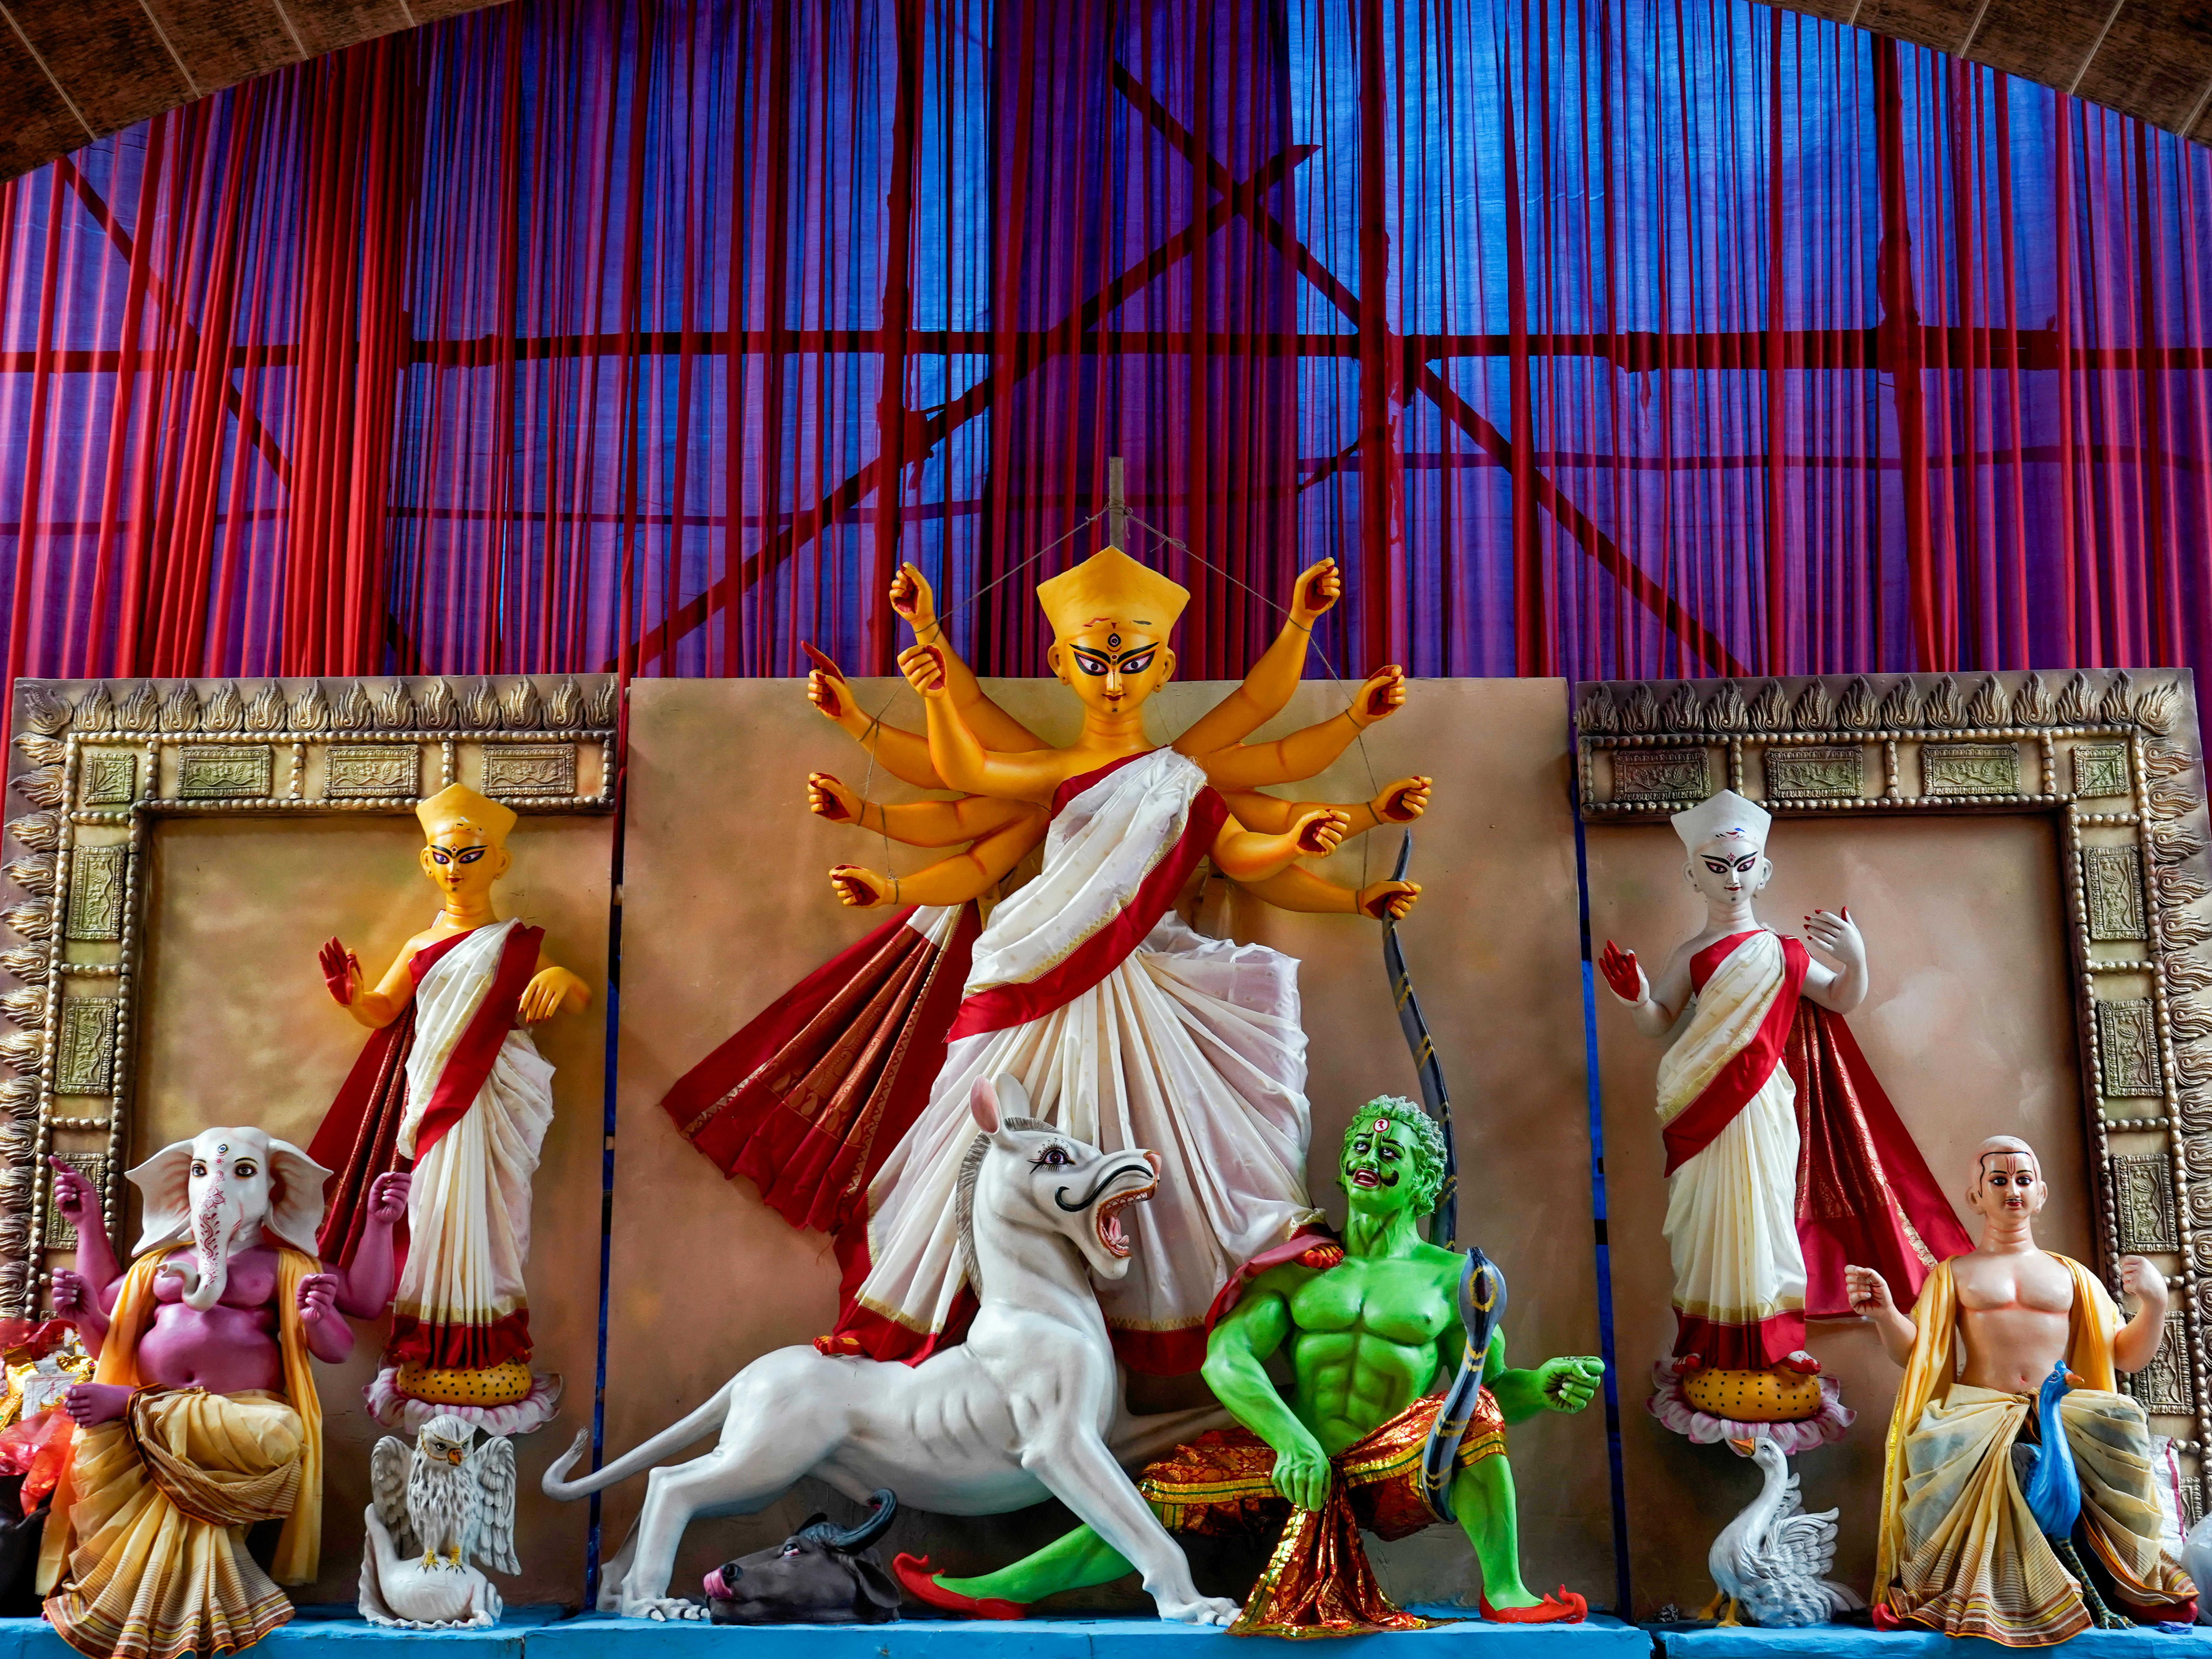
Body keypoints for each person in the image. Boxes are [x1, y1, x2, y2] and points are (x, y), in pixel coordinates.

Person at [663, 551, 1429, 1373]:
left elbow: (1242, 849)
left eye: (1133, 662)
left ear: (1164, 668)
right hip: (1030, 969)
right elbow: (967, 771)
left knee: (1216, 1120)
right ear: (1062, 665)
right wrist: (929, 684)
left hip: (1138, 984)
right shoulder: (1061, 771)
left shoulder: (1182, 783)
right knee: (955, 1140)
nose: (1112, 681)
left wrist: (1299, 832)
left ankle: (1245, 1263)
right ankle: (894, 1312)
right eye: (1095, 662)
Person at [893, 1100, 1603, 1632]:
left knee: (1476, 1416)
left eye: (1393, 1154)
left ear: (1425, 1184)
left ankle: (1504, 1588)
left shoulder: (1454, 1280)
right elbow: (1228, 1359)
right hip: (1290, 1458)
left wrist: (1540, 1387)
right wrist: (1290, 1438)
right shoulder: (1304, 1268)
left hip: (1391, 1468)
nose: (1371, 1156)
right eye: (1362, 1144)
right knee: (1165, 1488)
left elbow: (1486, 1389)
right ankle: (1009, 1588)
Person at [1601, 788, 1966, 1391]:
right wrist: (1637, 995)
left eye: (1744, 867)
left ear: (1762, 872)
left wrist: (1857, 958)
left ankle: (1777, 1340)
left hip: (1763, 1103)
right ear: (1692, 876)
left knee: (1767, 1214)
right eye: (1716, 869)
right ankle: (1698, 1343)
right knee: (1701, 1223)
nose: (1732, 880)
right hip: (1696, 1102)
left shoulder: (1785, 954)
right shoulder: (1690, 954)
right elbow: (1659, 1021)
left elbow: (1843, 998)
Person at [311, 783, 591, 1429]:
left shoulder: (514, 943)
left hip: (494, 1103)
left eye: (470, 857)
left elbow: (576, 997)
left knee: (494, 1218)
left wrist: (556, 977)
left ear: (500, 863)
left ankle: (489, 1347)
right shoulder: (418, 945)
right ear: (426, 862)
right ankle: (433, 1347)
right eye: (443, 857)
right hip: (437, 1100)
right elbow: (383, 1010)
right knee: (435, 1216)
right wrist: (352, 997)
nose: (454, 871)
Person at [1848, 1136, 2196, 1643]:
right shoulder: (1954, 1275)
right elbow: (1915, 1352)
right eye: (1999, 1180)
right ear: (1976, 1197)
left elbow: (2124, 1355)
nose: (2013, 1190)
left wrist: (2156, 1305)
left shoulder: (2073, 1276)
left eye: (2023, 1180)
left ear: (2041, 1194)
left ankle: (2115, 1587)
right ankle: (1976, 1596)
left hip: (2063, 1410)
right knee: (1934, 1438)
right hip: (1980, 1412)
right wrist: (1885, 1315)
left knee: (2121, 1420)